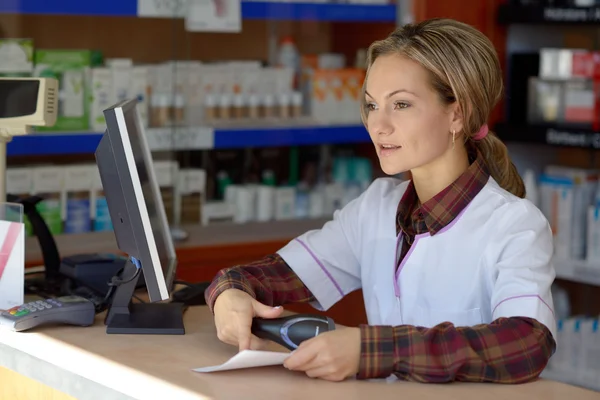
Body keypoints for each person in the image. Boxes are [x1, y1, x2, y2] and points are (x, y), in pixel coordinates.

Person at [204, 18, 556, 384]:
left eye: (401, 105)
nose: (378, 126)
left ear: (457, 113)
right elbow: (277, 277)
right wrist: (229, 292)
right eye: (372, 106)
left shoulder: (514, 225)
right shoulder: (376, 207)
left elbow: (527, 343)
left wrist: (368, 349)